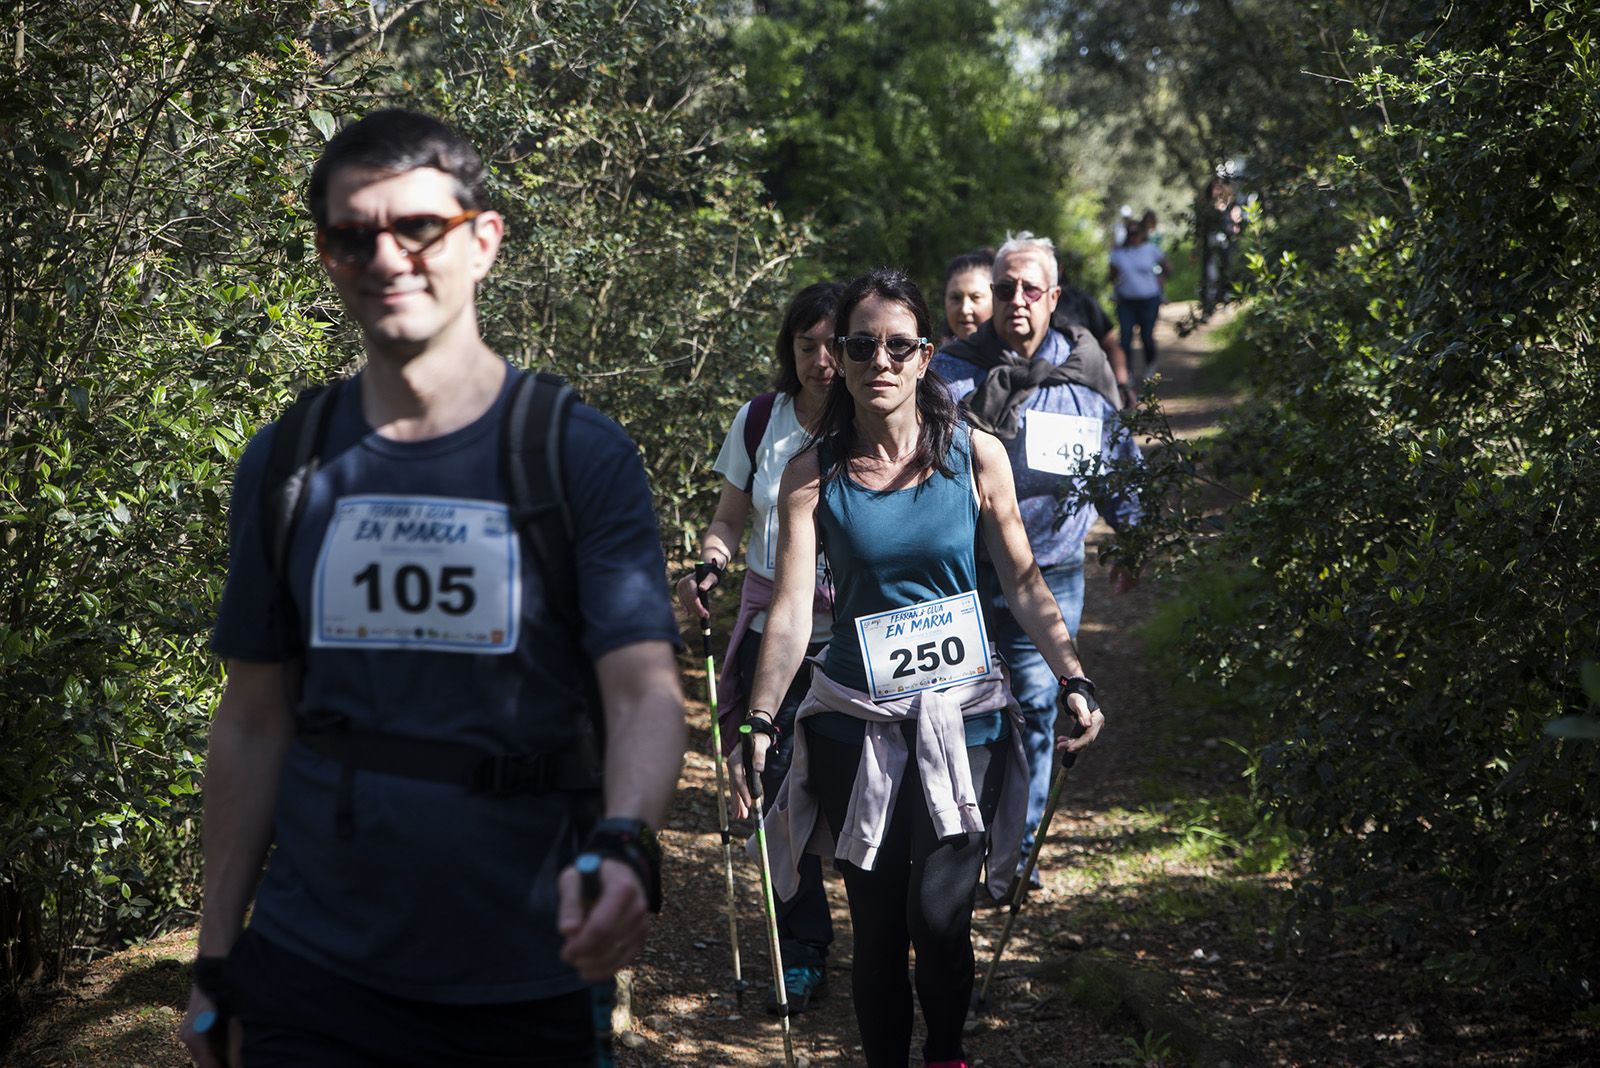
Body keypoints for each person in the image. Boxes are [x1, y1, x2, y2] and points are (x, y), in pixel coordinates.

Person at [179, 109, 686, 1068]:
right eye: (352, 233)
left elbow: (644, 691)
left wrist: (627, 842)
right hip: (311, 969)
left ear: (484, 240)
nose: (386, 256)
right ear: (327, 255)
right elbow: (252, 721)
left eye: (418, 226)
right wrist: (214, 960)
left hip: (525, 971)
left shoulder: (576, 455)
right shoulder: (287, 463)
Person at [737, 268, 1106, 1068]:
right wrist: (762, 717)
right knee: (876, 926)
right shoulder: (812, 472)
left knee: (940, 917)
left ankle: (944, 1051)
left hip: (961, 717)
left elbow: (1022, 578)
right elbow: (795, 610)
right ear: (837, 353)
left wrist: (1072, 676)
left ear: (925, 356)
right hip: (852, 720)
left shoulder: (975, 456)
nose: (880, 360)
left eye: (898, 346)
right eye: (861, 344)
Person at [932, 233, 1141, 894]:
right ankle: (959, 850)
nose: (1014, 300)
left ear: (1054, 297)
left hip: (1049, 576)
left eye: (1029, 289)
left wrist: (1133, 534)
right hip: (960, 579)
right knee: (962, 715)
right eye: (1003, 289)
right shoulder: (947, 373)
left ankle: (1015, 859)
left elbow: (1119, 465)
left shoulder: (1083, 373)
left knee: (1037, 708)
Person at [675, 281, 844, 1014]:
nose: (822, 358)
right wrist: (711, 562)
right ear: (790, 349)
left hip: (852, 636)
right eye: (807, 344)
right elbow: (728, 518)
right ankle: (803, 951)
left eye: (835, 343)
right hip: (771, 624)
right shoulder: (758, 422)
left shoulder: (876, 418)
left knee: (853, 795)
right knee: (773, 791)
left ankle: (895, 945)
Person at [1052, 249, 1136, 408]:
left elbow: (1111, 346)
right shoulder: (1012, 307)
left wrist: (1123, 385)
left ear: (1059, 269)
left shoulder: (1081, 302)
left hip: (1087, 396)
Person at [1108, 218, 1173, 377]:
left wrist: (1161, 281)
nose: (1133, 237)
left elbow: (1168, 268)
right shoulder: (1119, 254)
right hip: (1126, 301)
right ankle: (1126, 371)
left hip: (1149, 300)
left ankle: (1150, 364)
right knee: (1125, 337)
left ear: (1142, 234)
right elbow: (1112, 276)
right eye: (1130, 233)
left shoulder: (1151, 250)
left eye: (1136, 233)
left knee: (1146, 336)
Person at [1198, 177, 1246, 319]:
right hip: (1210, 247)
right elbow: (1200, 229)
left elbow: (1238, 225)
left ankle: (1225, 300)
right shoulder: (1206, 208)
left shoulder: (1232, 205)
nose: (1216, 191)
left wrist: (1235, 221)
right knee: (1210, 276)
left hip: (1227, 246)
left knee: (1228, 270)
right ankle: (1208, 307)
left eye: (1218, 188)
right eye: (1214, 188)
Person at [941, 248, 995, 342]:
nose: (965, 310)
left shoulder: (1020, 353)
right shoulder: (938, 356)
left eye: (976, 297)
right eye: (956, 298)